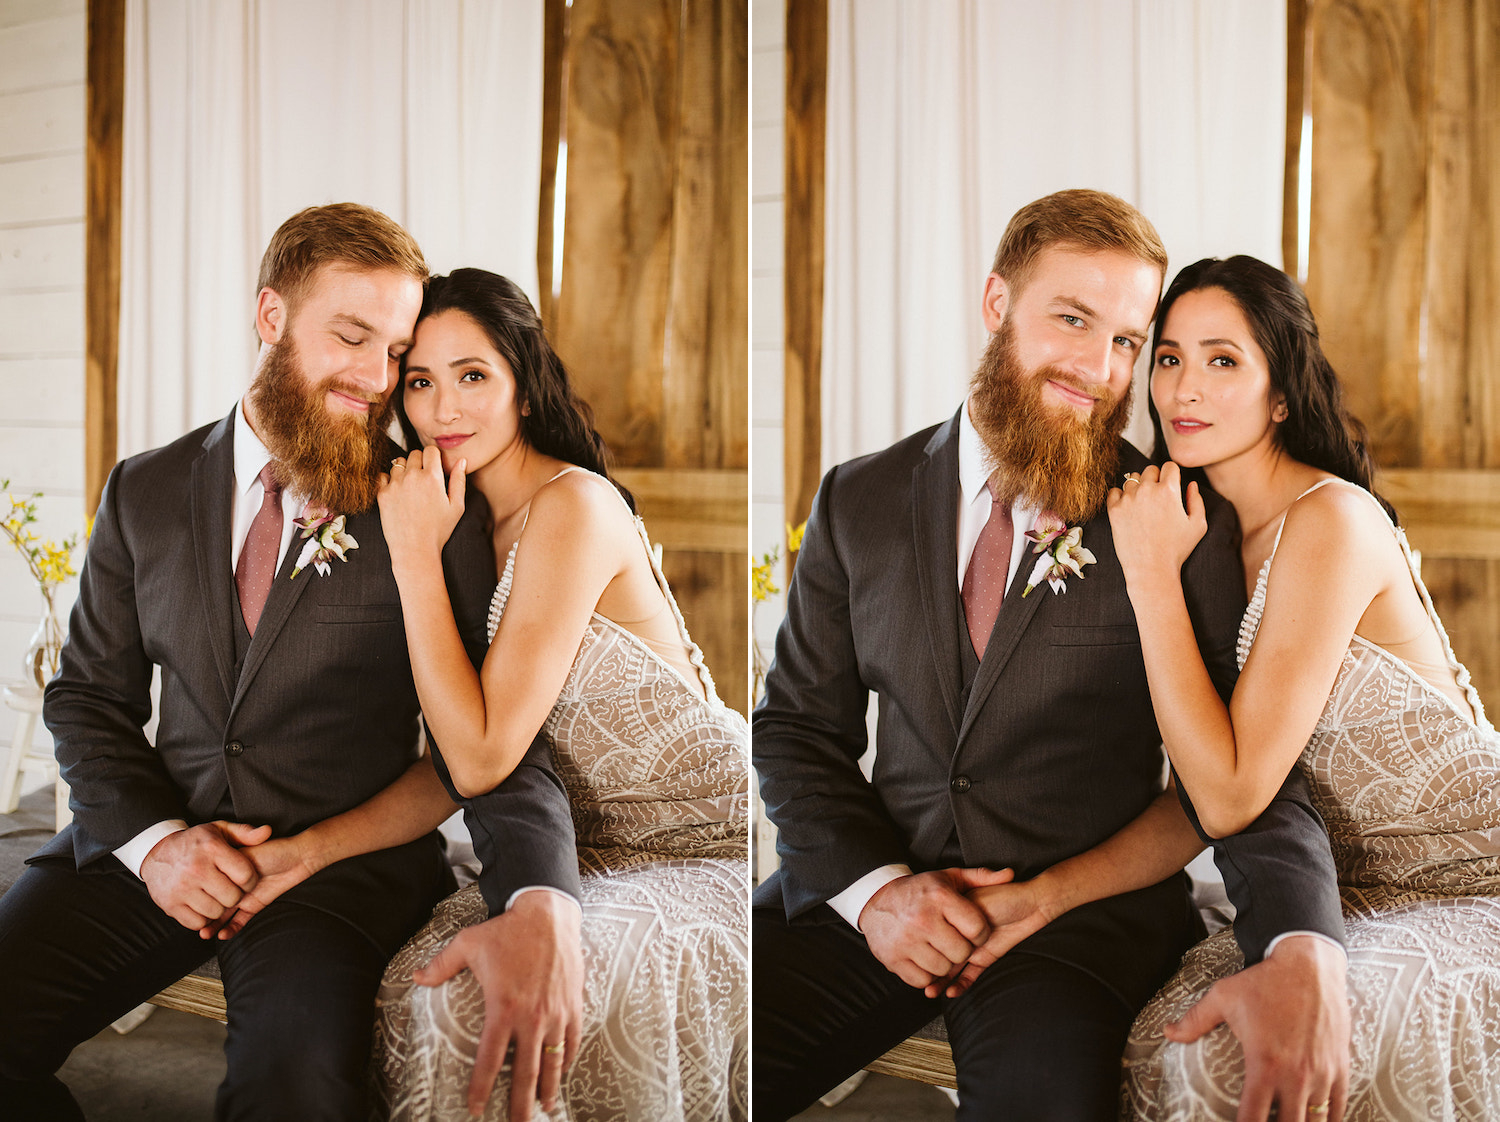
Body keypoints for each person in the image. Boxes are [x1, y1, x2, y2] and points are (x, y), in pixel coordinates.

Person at [751, 190, 1353, 1121]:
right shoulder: (856, 499)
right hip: (876, 900)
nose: (1098, 368)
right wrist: (876, 895)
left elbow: (1240, 779)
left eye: (1126, 340)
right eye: (1073, 319)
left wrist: (1303, 944)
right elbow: (794, 728)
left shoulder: (1174, 523)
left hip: (1073, 934)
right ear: (998, 304)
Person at [0, 204, 582, 1121]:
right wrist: (155, 847)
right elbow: (86, 702)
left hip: (334, 880)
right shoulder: (143, 489)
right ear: (270, 316)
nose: (375, 379)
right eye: (352, 337)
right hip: (153, 845)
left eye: (395, 352)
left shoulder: (428, 507)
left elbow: (494, 743)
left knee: (294, 1090)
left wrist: (542, 896)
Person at [1112, 255, 1500, 1121]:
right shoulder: (1194, 531)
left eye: (1223, 360)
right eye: (1169, 358)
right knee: (1174, 1042)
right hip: (1341, 889)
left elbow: (1233, 793)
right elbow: (1195, 793)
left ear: (1281, 394)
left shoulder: (1329, 519)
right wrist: (1032, 901)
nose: (1184, 388)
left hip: (1469, 879)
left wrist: (1148, 579)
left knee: (1237, 1066)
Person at [368, 268, 748, 1122]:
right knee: (425, 989)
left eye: (474, 376)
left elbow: (479, 754)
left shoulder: (570, 505)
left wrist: (410, 559)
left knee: (492, 1006)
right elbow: (457, 755)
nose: (442, 411)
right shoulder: (457, 522)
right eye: (420, 382)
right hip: (579, 848)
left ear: (525, 387)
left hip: (692, 846)